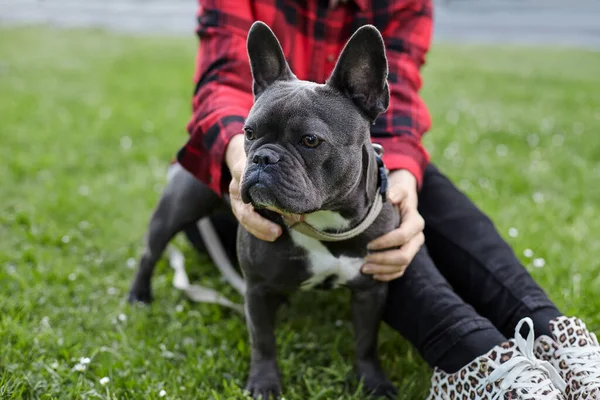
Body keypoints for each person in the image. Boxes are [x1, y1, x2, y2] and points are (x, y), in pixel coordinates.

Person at [175, 0, 600, 398]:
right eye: (257, 136)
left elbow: (399, 113)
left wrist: (402, 183)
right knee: (380, 238)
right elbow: (220, 84)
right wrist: (240, 156)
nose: (267, 155)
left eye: (306, 139)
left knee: (417, 203)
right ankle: (476, 356)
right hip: (243, 196)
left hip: (344, 161)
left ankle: (552, 334)